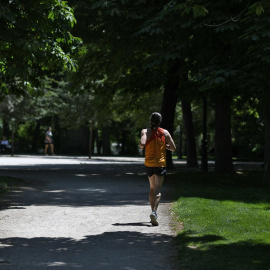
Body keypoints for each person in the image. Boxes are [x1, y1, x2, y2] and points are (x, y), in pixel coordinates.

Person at [139, 112, 176, 226]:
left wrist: (143, 143)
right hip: (160, 164)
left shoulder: (145, 131)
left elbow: (142, 144)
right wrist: (165, 146)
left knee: (151, 188)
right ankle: (154, 212)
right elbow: (173, 148)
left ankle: (152, 213)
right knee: (158, 190)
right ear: (160, 121)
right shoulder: (165, 133)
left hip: (149, 163)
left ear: (150, 121)